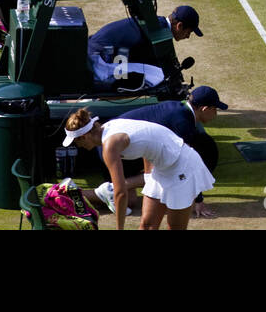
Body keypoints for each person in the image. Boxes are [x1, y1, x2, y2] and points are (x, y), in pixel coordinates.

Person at [86, 85, 228, 217]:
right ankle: (114, 188)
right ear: (205, 109)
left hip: (115, 146)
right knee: (167, 171)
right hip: (114, 150)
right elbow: (186, 166)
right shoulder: (183, 124)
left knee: (130, 200)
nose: (215, 114)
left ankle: (75, 193)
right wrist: (198, 200)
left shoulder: (179, 109)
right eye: (215, 109)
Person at [63, 108, 213, 230]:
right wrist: (148, 176)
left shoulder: (110, 145)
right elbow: (148, 141)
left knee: (174, 227)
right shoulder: (110, 127)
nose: (78, 146)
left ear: (84, 137)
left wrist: (119, 228)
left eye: (76, 142)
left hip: (183, 166)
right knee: (146, 226)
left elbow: (120, 193)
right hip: (161, 168)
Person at [88, 5, 203, 69]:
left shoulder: (158, 23)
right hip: (97, 57)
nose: (188, 37)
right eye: (189, 32)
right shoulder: (159, 35)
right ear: (179, 26)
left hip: (95, 49)